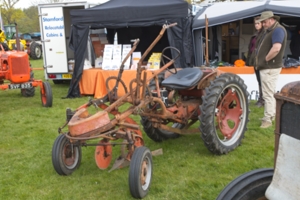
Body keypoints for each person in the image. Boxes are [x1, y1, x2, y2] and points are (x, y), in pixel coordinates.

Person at [256, 11, 287, 128]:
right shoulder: (273, 29)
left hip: (269, 67)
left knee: (267, 94)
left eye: (264, 22)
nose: (263, 24)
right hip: (269, 66)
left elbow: (276, 48)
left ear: (270, 19)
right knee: (269, 93)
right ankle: (271, 115)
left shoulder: (277, 30)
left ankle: (267, 120)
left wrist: (264, 60)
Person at [246, 16, 265, 107]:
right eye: (255, 24)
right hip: (254, 60)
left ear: (262, 23)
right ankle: (261, 99)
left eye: (258, 23)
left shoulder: (264, 34)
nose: (256, 25)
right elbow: (251, 49)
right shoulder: (255, 35)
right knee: (259, 80)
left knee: (262, 80)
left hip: (261, 61)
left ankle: (262, 100)